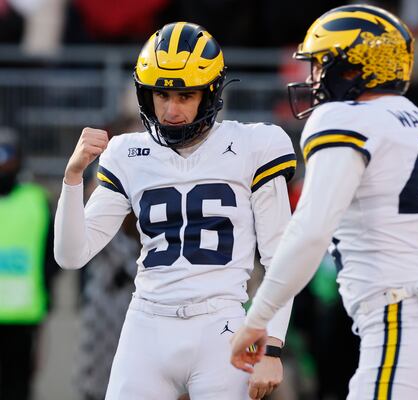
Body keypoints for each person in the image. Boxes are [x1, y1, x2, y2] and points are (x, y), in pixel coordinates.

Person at [230, 5, 418, 399]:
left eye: (322, 64)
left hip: (404, 321)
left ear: (353, 68)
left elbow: (311, 229)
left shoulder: (344, 119)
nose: (314, 78)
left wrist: (261, 316)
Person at [54, 22, 296, 400]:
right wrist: (71, 179)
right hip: (146, 324)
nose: (171, 110)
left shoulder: (255, 145)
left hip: (224, 325)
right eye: (161, 95)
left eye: (185, 95)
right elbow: (71, 255)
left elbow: (281, 257)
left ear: (211, 93)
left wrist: (271, 346)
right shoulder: (126, 153)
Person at [0, 128, 58, 400]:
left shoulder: (37, 200)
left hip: (25, 315)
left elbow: (52, 254)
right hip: (25, 311)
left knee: (18, 385)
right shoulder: (36, 200)